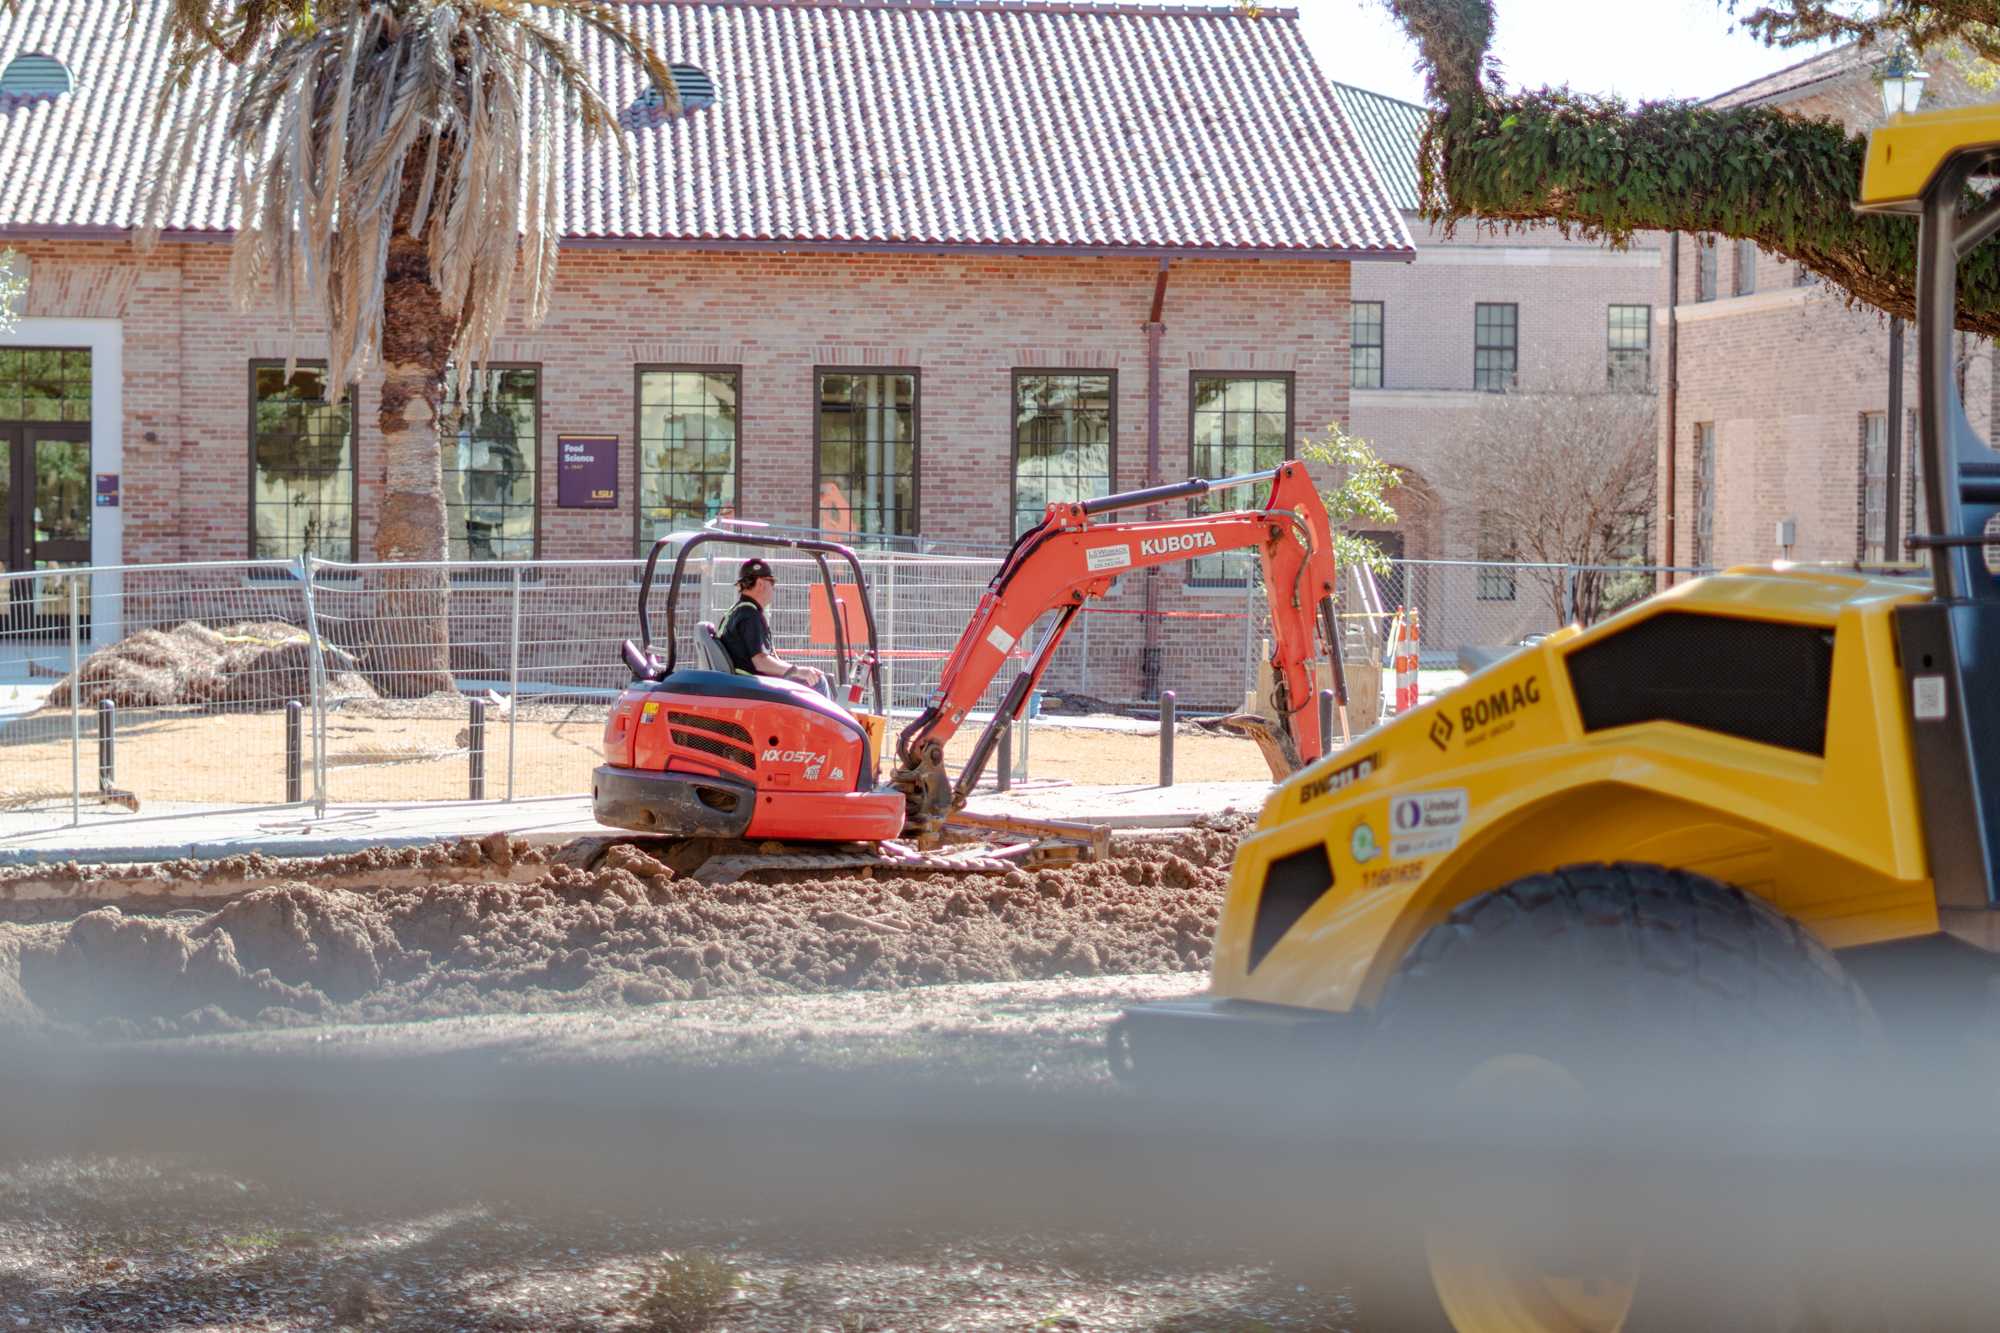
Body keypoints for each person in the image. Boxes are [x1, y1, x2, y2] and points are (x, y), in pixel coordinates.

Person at [717, 557, 828, 693]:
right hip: (754, 686)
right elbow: (761, 662)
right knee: (818, 682)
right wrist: (798, 671)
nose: (773, 589)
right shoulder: (750, 615)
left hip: (745, 682)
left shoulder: (737, 611)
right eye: (772, 583)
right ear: (760, 584)